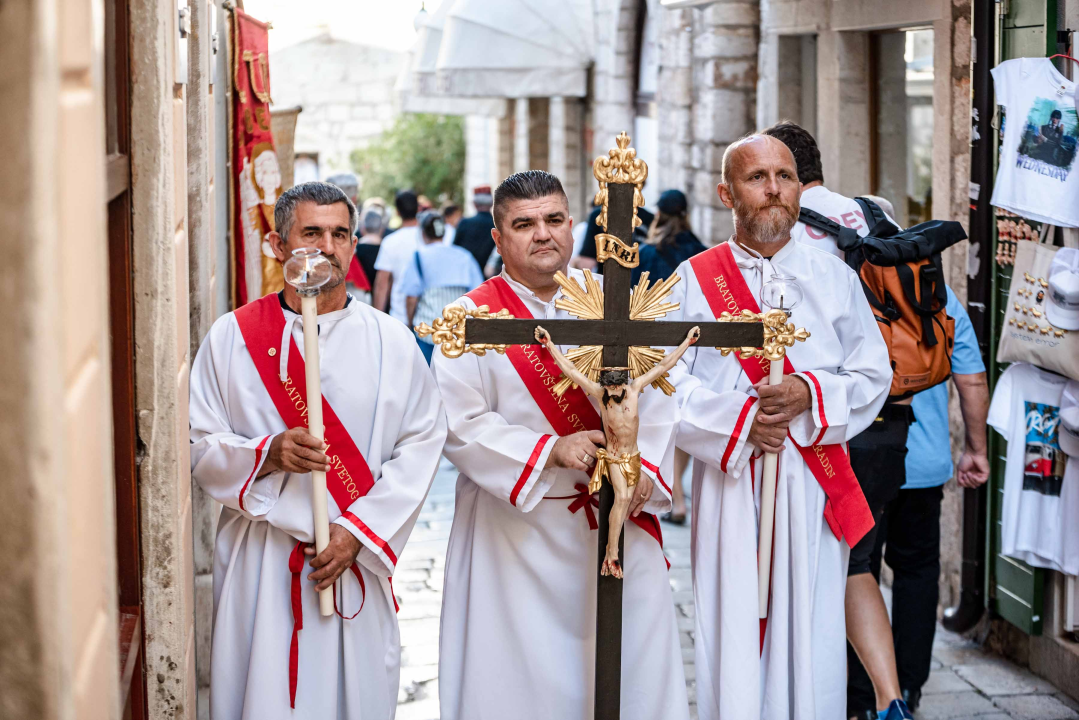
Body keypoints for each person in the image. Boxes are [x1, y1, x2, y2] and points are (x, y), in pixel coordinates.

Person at [431, 170, 689, 720]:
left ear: (572, 226)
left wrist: (646, 469)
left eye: (553, 220)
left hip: (614, 524)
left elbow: (663, 394)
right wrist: (548, 448)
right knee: (523, 685)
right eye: (523, 224)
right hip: (515, 537)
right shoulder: (471, 319)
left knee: (629, 674)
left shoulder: (614, 304)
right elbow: (456, 421)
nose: (542, 234)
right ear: (498, 238)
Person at [189, 181, 447, 720]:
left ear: (354, 244)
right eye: (311, 232)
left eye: (339, 234)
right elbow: (197, 444)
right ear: (279, 245)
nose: (327, 246)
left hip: (352, 562)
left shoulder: (391, 342)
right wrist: (267, 453)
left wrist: (358, 533)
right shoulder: (232, 338)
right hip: (261, 563)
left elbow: (422, 444)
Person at [665, 134, 893, 720]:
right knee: (732, 626)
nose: (773, 189)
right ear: (726, 193)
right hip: (730, 481)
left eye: (785, 176)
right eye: (757, 177)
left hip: (810, 480)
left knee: (812, 626)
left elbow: (872, 375)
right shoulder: (693, 281)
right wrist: (738, 423)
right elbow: (666, 383)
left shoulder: (835, 278)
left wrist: (808, 393)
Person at [765, 121, 913, 720]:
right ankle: (886, 698)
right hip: (881, 410)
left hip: (819, 424)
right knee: (860, 560)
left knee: (823, 568)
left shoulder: (783, 229)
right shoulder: (878, 218)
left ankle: (820, 696)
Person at [402, 210, 484, 363]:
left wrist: (410, 323)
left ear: (423, 233)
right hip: (459, 334)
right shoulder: (464, 256)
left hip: (428, 332)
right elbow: (479, 294)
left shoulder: (418, 256)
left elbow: (411, 297)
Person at [373, 189, 421, 323]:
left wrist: (378, 319)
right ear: (418, 209)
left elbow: (382, 283)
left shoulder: (391, 241)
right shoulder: (428, 239)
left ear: (397, 212)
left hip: (400, 317)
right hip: (428, 316)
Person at [452, 185, 498, 271]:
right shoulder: (498, 225)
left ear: (474, 204)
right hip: (490, 277)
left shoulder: (464, 223)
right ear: (492, 204)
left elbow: (454, 250)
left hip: (466, 274)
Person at [353, 207, 384, 293]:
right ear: (381, 229)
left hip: (359, 296)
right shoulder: (386, 250)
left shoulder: (355, 251)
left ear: (362, 228)